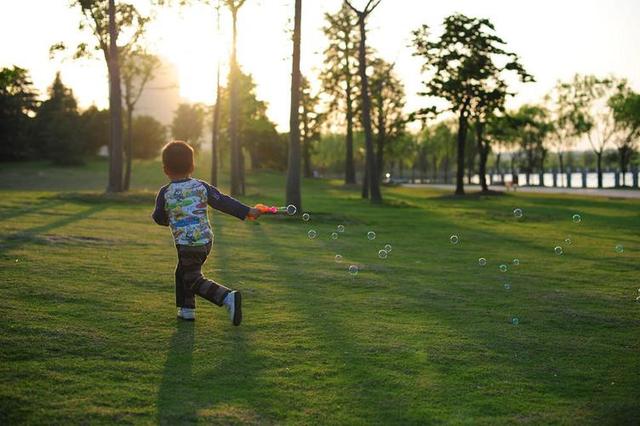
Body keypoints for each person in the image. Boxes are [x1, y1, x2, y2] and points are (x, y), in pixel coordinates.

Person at [152, 140, 261, 325]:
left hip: (187, 244)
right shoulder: (201, 186)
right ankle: (187, 309)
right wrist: (247, 211)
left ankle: (227, 297)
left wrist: (169, 219)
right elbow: (223, 201)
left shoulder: (165, 192)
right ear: (192, 166)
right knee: (182, 272)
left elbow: (159, 217)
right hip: (206, 241)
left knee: (192, 277)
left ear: (165, 169)